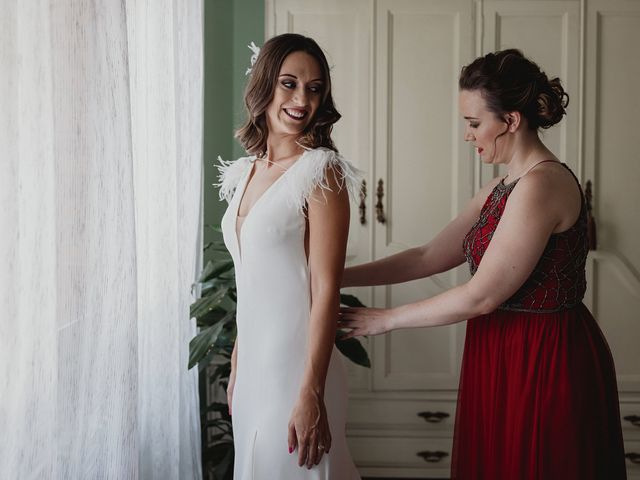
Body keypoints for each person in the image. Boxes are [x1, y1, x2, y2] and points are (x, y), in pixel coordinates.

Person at [339, 49, 626, 479]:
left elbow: (482, 294)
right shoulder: (500, 187)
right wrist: (335, 275)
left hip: (543, 355)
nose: (468, 135)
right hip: (499, 347)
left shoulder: (542, 184)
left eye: (474, 124)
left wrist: (384, 319)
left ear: (510, 120)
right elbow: (427, 256)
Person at [217, 33, 361, 479]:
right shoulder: (245, 172)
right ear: (264, 85)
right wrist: (238, 360)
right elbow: (253, 282)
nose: (303, 99)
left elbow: (325, 290)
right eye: (289, 83)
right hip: (254, 370)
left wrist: (311, 392)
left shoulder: (321, 173)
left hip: (298, 372)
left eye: (315, 88)